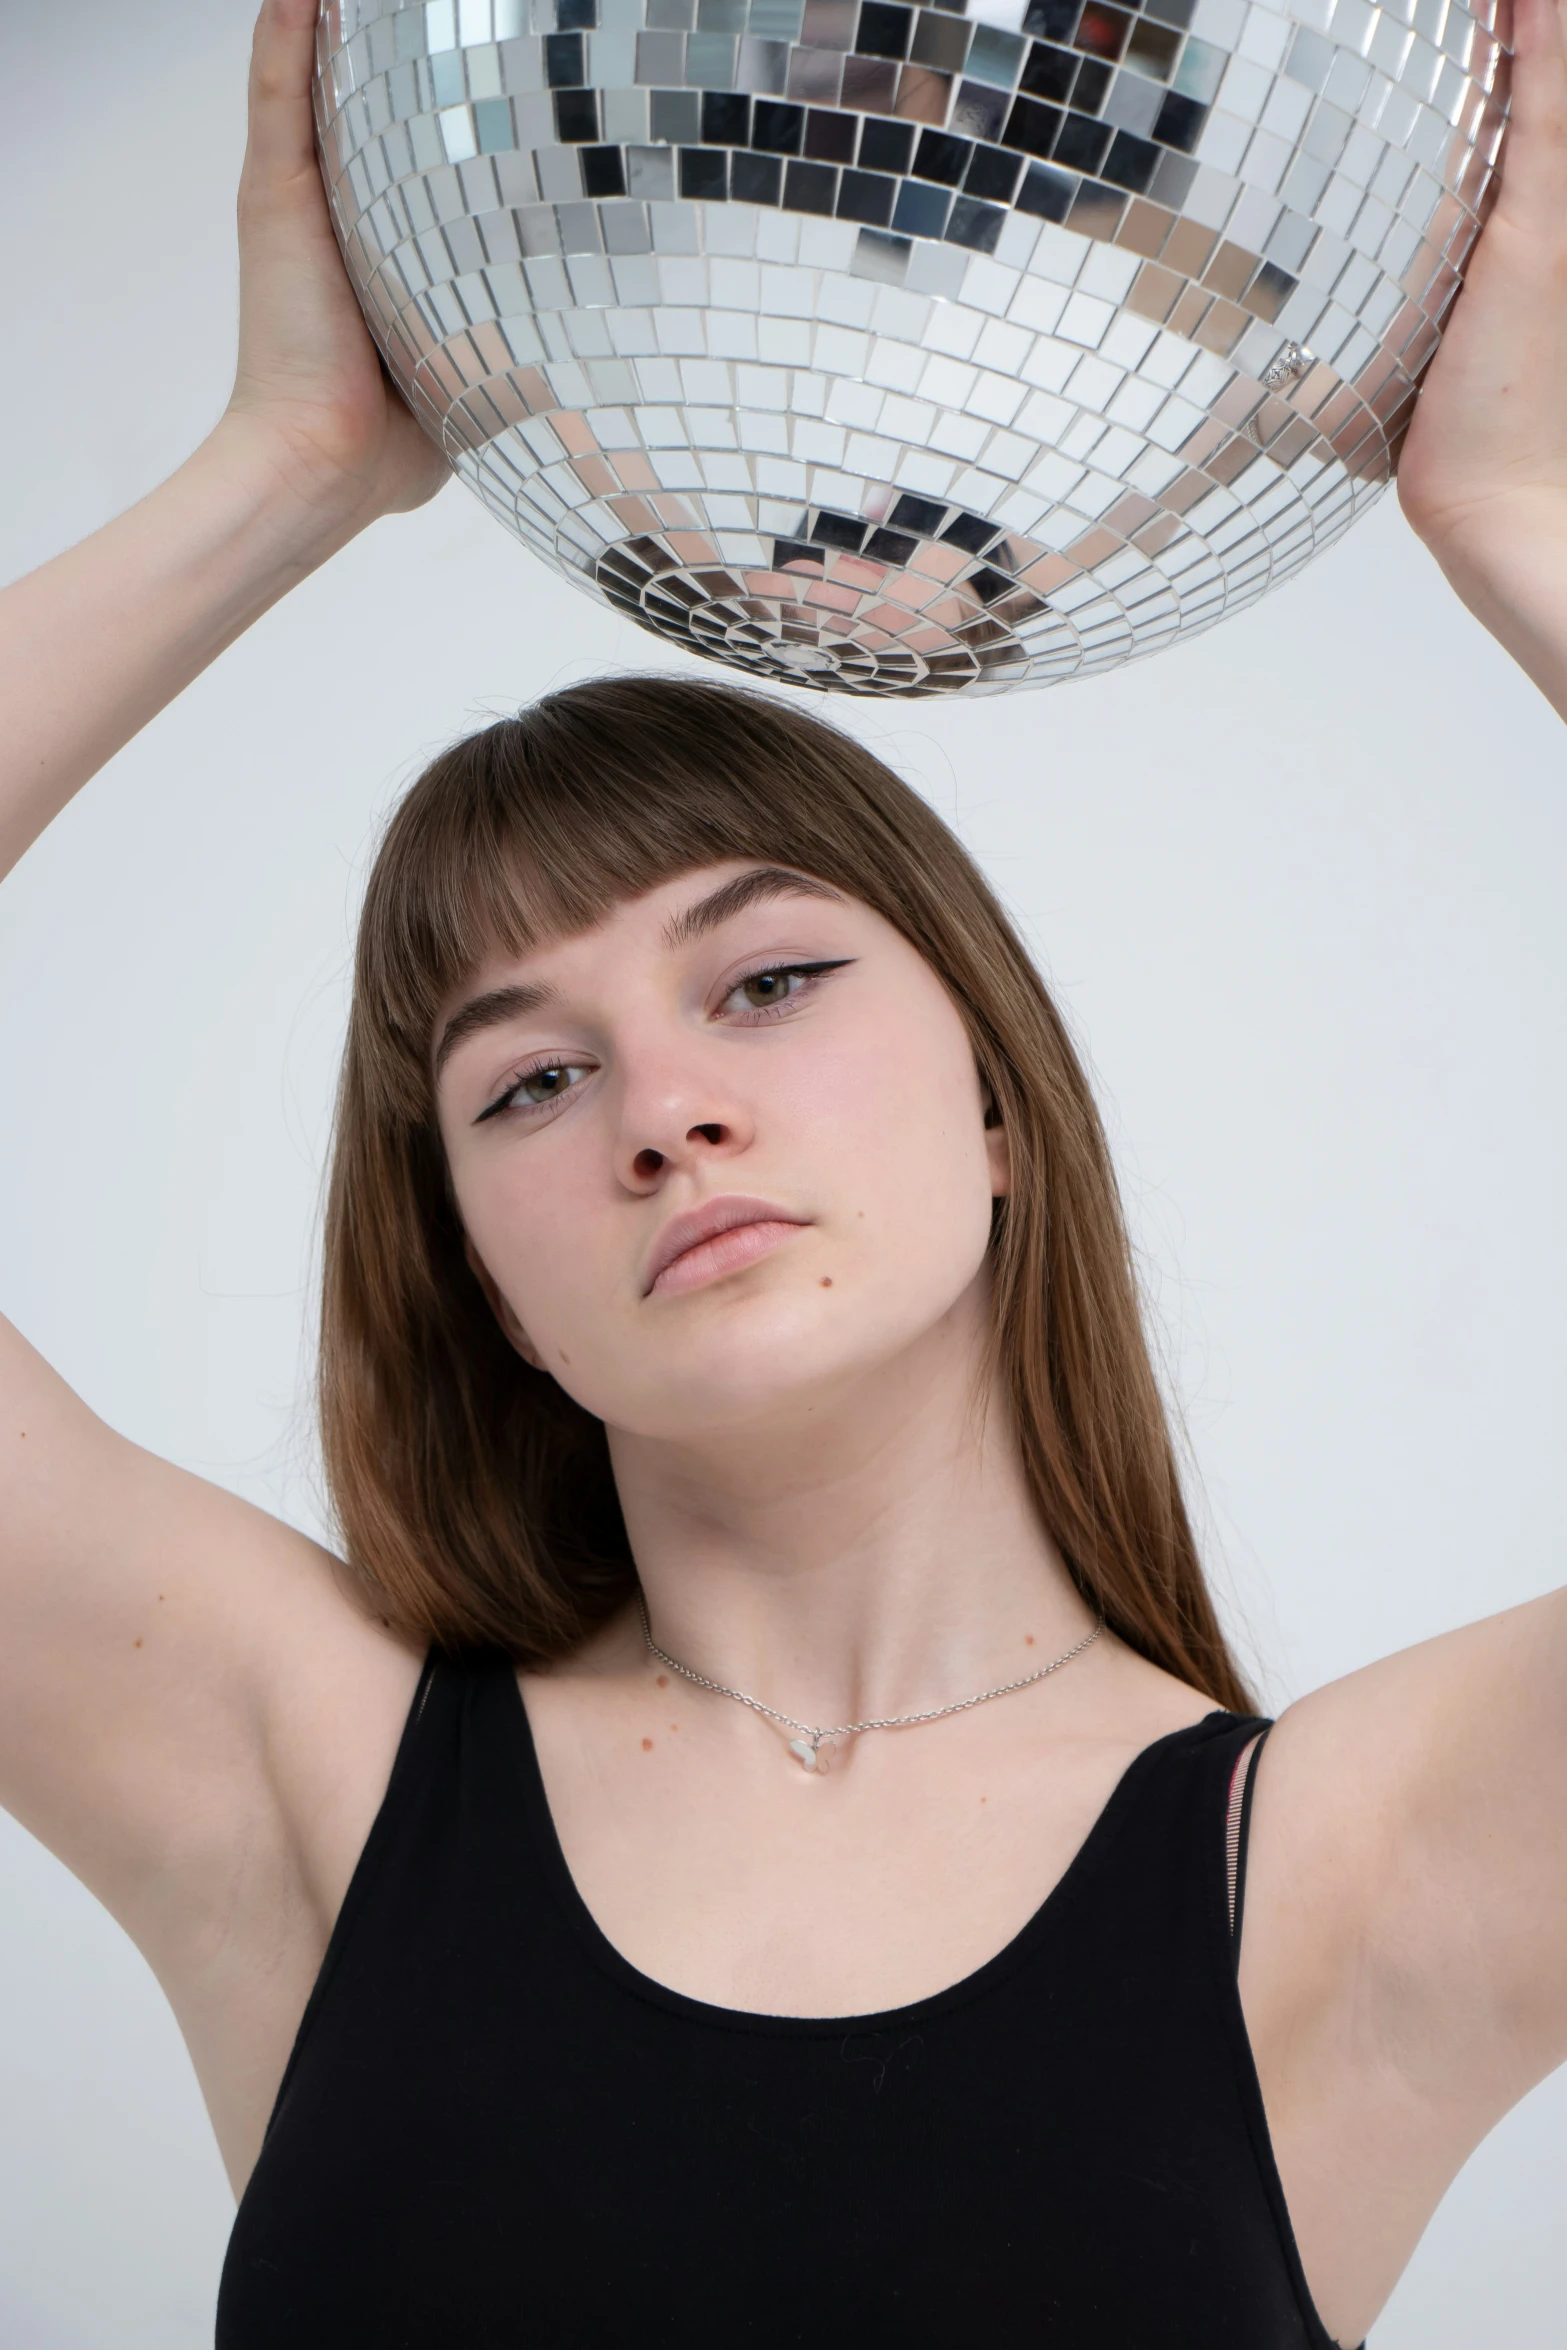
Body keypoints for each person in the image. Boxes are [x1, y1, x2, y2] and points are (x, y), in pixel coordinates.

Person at [2, 0, 1566, 2341]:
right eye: (524, 1084)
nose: (663, 1110)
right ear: (486, 1279)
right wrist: (282, 465)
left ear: (1000, 1096)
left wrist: (1524, 518)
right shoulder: (295, 1774)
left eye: (764, 983)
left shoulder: (1359, 1869)